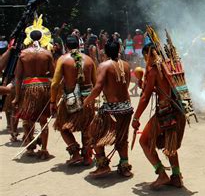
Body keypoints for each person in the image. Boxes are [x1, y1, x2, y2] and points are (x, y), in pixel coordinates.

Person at [131, 43, 187, 189]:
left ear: (148, 55)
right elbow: (165, 89)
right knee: (170, 145)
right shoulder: (172, 65)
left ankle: (162, 174)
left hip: (165, 112)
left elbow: (145, 97)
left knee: (144, 141)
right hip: (178, 110)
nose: (146, 61)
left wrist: (136, 118)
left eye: (145, 57)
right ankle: (176, 176)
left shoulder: (154, 70)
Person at [83, 39, 134, 178]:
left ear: (104, 52)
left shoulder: (104, 66)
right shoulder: (127, 65)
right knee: (122, 138)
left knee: (94, 135)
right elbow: (126, 85)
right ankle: (124, 168)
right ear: (119, 50)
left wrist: (87, 101)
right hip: (127, 107)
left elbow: (98, 87)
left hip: (111, 109)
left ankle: (102, 166)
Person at [50, 35, 96, 166]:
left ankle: (75, 154)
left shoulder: (63, 60)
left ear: (66, 45)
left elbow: (54, 84)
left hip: (70, 99)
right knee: (86, 127)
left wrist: (53, 101)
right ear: (79, 45)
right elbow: (96, 83)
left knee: (62, 126)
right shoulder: (89, 60)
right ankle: (87, 157)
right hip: (88, 99)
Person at [13, 19, 55, 159]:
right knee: (43, 119)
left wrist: (17, 96)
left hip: (28, 88)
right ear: (43, 38)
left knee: (27, 117)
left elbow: (18, 77)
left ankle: (30, 147)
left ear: (29, 38)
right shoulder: (47, 54)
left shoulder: (23, 54)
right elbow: (53, 75)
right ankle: (44, 149)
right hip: (43, 87)